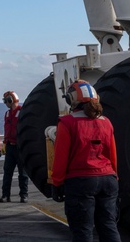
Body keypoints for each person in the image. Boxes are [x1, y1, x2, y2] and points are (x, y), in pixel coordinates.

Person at [50, 79, 119, 242]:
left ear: (71, 99)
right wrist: (115, 176)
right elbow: (112, 154)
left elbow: (60, 157)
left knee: (83, 231)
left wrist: (57, 183)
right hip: (108, 179)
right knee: (109, 227)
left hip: (81, 182)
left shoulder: (67, 123)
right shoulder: (106, 122)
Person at [0, 90, 29, 203]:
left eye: (6, 101)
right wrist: (5, 143)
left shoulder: (22, 112)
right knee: (7, 172)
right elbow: (7, 130)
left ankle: (24, 195)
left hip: (20, 147)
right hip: (10, 147)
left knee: (23, 173)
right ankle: (5, 195)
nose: (5, 103)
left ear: (10, 100)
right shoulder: (7, 114)